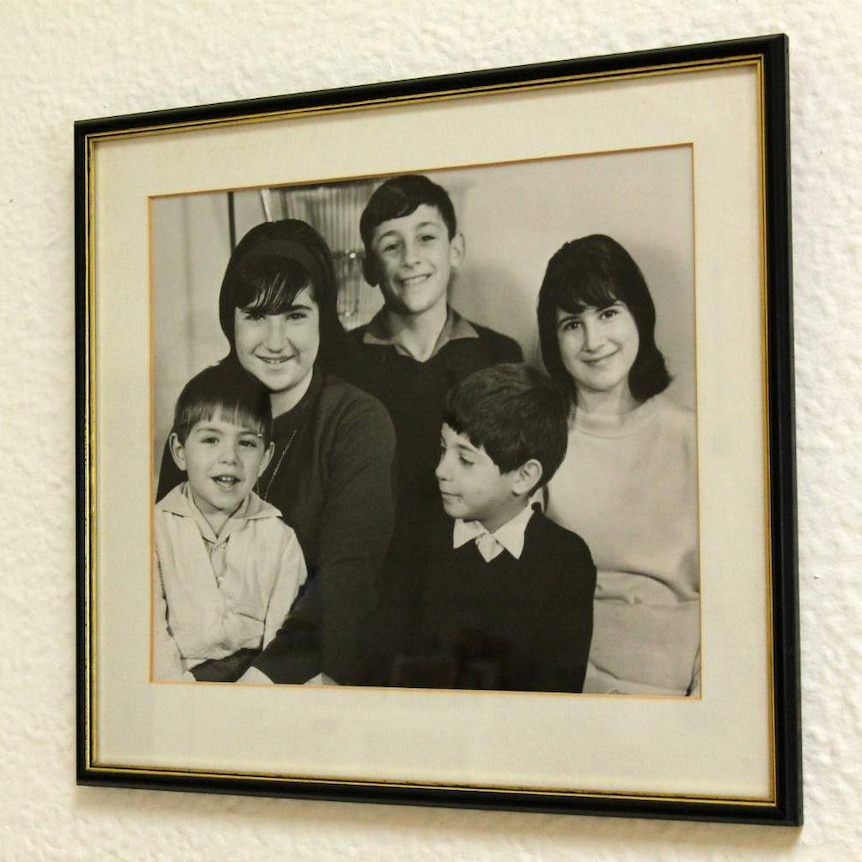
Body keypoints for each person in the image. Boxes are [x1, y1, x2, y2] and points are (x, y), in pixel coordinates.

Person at [157, 219, 396, 686]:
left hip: (305, 668)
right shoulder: (201, 411)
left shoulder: (358, 422)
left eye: (295, 315)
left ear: (323, 318)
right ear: (232, 321)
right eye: (256, 316)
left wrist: (259, 685)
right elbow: (162, 558)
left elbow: (347, 584)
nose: (274, 342)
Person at [537, 234, 700, 696]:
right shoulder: (539, 444)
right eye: (572, 324)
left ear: (639, 317)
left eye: (608, 313)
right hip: (572, 687)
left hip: (683, 691)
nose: (593, 341)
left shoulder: (694, 438)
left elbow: (738, 610)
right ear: (554, 338)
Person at [390, 364, 596, 693]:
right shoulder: (418, 536)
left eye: (466, 460)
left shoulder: (566, 563)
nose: (441, 470)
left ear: (524, 476)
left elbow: (557, 693)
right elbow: (388, 662)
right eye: (443, 450)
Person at [346, 174, 524, 556]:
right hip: (373, 572)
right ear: (369, 268)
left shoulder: (500, 356)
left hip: (472, 571)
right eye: (391, 245)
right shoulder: (340, 361)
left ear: (455, 250)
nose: (411, 258)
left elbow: (512, 493)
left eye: (426, 238)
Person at [154, 364, 307, 682]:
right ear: (180, 452)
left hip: (254, 688)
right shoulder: (153, 531)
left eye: (247, 443)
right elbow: (151, 641)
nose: (230, 457)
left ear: (265, 458)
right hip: (179, 687)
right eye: (211, 440)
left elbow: (284, 642)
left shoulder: (279, 539)